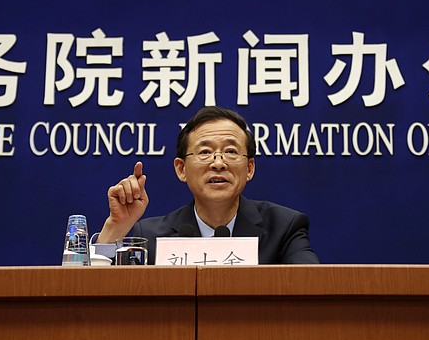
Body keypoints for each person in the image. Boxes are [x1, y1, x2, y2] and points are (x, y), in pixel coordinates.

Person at [95, 106, 319, 264]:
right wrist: (116, 227)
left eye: (231, 152)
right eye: (205, 152)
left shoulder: (283, 228)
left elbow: (312, 287)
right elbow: (98, 297)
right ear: (181, 169)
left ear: (249, 168)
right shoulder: (153, 236)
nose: (219, 163)